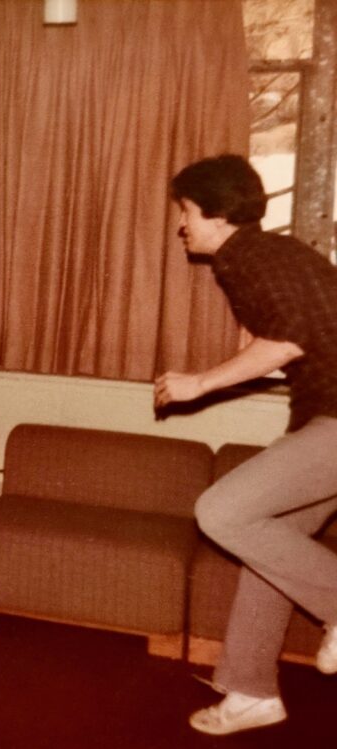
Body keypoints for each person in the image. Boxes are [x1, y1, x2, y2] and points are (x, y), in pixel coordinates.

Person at [154, 154, 337, 736]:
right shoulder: (272, 256)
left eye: (185, 211)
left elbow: (288, 340)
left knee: (221, 510)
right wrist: (252, 350)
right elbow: (300, 339)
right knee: (271, 542)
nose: (181, 225)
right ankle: (250, 689)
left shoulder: (247, 257)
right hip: (321, 414)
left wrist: (200, 381)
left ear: (216, 212)